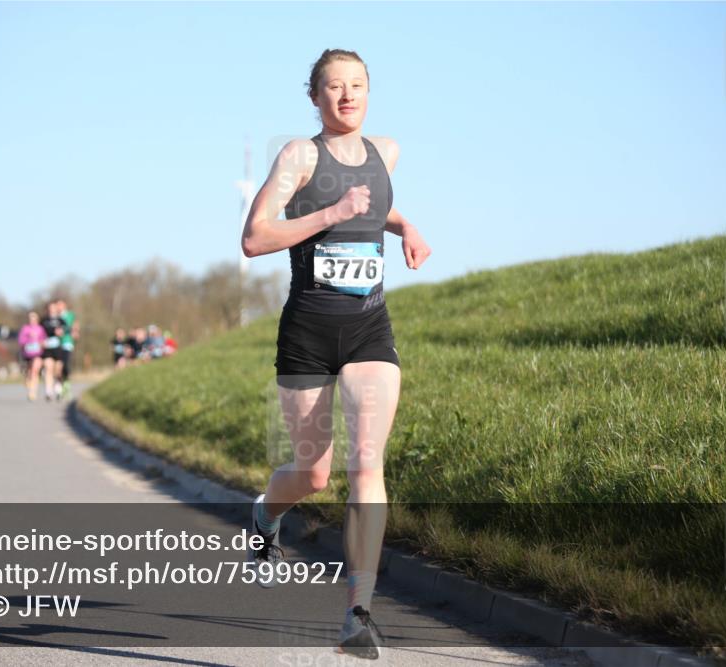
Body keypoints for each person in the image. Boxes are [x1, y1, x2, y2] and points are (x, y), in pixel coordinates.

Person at [240, 48, 431, 659]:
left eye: (356, 85)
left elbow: (377, 204)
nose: (346, 95)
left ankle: (359, 613)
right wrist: (330, 213)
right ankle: (266, 516)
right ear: (314, 96)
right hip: (308, 331)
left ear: (369, 91)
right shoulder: (300, 155)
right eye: (333, 87)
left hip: (369, 328)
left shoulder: (387, 153)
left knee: (366, 466)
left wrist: (408, 227)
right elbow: (254, 238)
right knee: (313, 473)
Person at [39, 301, 66, 401]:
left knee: (57, 370)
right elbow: (38, 332)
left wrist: (61, 332)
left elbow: (66, 331)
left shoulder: (61, 320)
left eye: (53, 308)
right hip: (47, 348)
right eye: (50, 308)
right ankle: (48, 392)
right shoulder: (43, 320)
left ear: (56, 309)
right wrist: (41, 341)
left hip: (58, 347)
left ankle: (58, 389)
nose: (51, 310)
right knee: (48, 368)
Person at [17, 311, 46, 400]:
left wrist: (42, 343)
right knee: (30, 371)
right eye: (30, 318)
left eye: (34, 318)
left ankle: (33, 392)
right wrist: (28, 339)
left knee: (35, 371)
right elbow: (20, 340)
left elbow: (44, 340)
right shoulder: (25, 328)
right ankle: (28, 380)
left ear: (37, 319)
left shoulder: (41, 329)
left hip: (38, 353)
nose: (32, 320)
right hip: (28, 353)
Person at [56, 299, 78, 397]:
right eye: (57, 305)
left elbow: (75, 326)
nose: (59, 307)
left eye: (60, 305)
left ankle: (66, 385)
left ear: (65, 305)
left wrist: (75, 332)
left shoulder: (70, 315)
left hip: (67, 342)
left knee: (65, 365)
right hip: (56, 344)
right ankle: (58, 387)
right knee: (57, 366)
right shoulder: (55, 316)